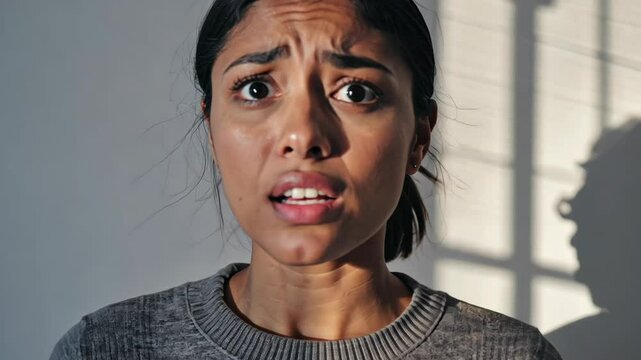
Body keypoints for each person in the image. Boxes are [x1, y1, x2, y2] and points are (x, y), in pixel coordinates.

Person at [51, 0, 562, 359]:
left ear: (419, 137)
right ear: (210, 127)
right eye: (255, 88)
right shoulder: (106, 348)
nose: (302, 135)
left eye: (356, 92)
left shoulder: (510, 355)